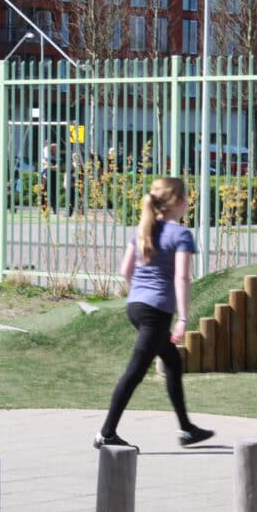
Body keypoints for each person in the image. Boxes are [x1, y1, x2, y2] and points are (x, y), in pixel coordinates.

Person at [94, 177, 214, 452]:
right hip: (156, 312)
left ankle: (186, 429)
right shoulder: (180, 234)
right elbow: (182, 277)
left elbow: (125, 271)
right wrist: (183, 318)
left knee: (172, 362)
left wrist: (141, 293)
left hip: (136, 306)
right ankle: (106, 433)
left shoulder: (142, 229)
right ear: (179, 203)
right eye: (187, 199)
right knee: (134, 372)